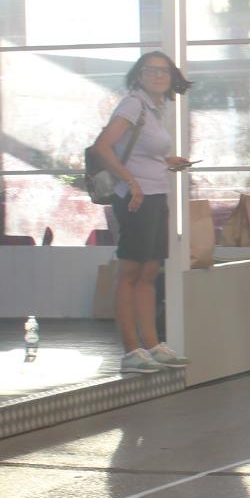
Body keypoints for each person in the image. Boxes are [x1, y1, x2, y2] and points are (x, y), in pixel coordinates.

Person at [90, 51, 195, 373]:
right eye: (151, 70)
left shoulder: (155, 108)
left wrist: (166, 162)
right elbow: (103, 147)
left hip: (154, 194)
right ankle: (130, 350)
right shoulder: (133, 104)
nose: (158, 75)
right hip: (135, 199)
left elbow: (137, 152)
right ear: (139, 75)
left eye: (164, 70)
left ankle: (152, 345)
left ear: (173, 77)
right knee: (131, 273)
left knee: (149, 273)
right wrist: (132, 182)